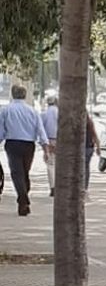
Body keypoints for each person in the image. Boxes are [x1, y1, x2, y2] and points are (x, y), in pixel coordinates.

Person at [0, 84, 48, 216]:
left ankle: (23, 199)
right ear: (25, 95)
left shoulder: (6, 110)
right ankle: (24, 200)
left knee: (17, 173)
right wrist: (45, 147)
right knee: (24, 172)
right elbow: (40, 129)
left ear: (12, 94)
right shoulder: (32, 111)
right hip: (29, 145)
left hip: (13, 144)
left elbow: (1, 130)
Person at [40, 94, 58, 193]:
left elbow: (40, 130)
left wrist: (44, 144)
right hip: (61, 141)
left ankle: (53, 186)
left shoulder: (44, 114)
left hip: (49, 140)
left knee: (50, 164)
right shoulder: (61, 113)